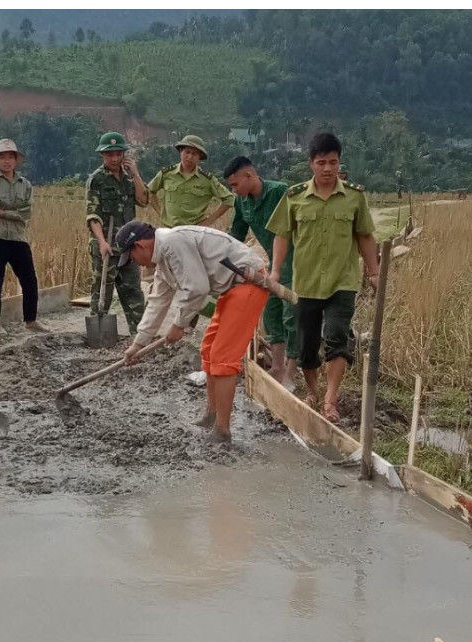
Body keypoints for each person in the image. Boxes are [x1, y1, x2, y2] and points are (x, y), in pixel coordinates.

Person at [115, 221, 276, 440]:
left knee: (222, 357)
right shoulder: (163, 259)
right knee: (208, 349)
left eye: (132, 257)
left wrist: (179, 325)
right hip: (230, 289)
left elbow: (197, 287)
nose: (137, 264)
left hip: (247, 284)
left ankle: (222, 430)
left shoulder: (174, 242)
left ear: (140, 246)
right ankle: (212, 413)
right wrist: (138, 344)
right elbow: (157, 301)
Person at [268, 131, 378, 425]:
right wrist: (276, 270)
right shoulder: (294, 197)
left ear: (339, 162)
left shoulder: (354, 197)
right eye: (321, 162)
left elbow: (366, 236)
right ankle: (313, 392)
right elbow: (281, 234)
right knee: (306, 346)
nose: (327, 168)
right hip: (306, 283)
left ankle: (330, 397)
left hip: (342, 282)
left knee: (337, 338)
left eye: (332, 162)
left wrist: (375, 271)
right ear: (311, 164)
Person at [225, 155, 297, 388]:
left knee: (292, 314)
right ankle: (276, 366)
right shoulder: (241, 202)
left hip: (298, 261)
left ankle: (292, 371)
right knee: (271, 310)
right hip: (275, 263)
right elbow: (235, 236)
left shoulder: (280, 192)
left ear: (249, 176)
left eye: (235, 184)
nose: (234, 190)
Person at [84, 132, 150, 338]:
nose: (114, 158)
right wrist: (102, 242)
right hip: (106, 242)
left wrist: (137, 174)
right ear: (102, 155)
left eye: (118, 154)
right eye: (109, 154)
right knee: (102, 290)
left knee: (133, 291)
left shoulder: (130, 178)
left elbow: (143, 200)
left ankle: (139, 333)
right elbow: (92, 215)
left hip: (129, 244)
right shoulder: (96, 180)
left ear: (124, 155)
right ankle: (99, 334)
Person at [0, 139, 39, 332]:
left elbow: (27, 212)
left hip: (18, 237)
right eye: (3, 157)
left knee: (29, 280)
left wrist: (3, 213)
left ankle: (31, 320)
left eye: (10, 157)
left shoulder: (25, 184)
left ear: (16, 160)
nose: (7, 161)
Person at [148, 136, 232, 227]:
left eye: (194, 154)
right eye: (187, 152)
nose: (190, 157)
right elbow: (150, 191)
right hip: (169, 229)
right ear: (181, 151)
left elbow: (229, 199)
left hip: (195, 230)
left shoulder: (207, 179)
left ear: (199, 157)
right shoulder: (167, 174)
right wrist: (161, 213)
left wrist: (209, 220)